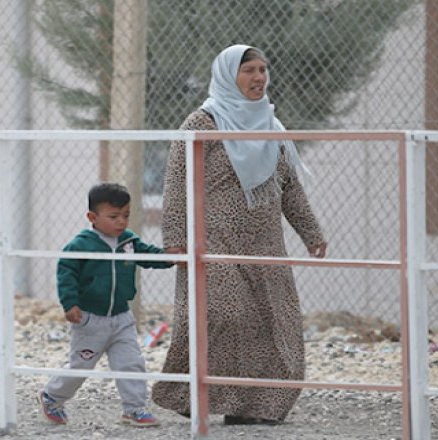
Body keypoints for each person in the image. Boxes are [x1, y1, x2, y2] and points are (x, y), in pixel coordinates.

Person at [151, 45, 328, 425]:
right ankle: (197, 392)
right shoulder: (203, 123)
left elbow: (289, 187)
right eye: (249, 69)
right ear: (228, 75)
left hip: (266, 244)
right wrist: (175, 237)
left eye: (263, 69)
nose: (259, 77)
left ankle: (259, 407)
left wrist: (311, 233)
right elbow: (176, 183)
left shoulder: (271, 126)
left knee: (277, 322)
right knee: (228, 313)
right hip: (214, 241)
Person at [38, 183, 173, 427]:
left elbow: (148, 255)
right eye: (113, 216)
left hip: (122, 317)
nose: (121, 222)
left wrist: (171, 257)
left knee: (131, 362)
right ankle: (52, 396)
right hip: (90, 319)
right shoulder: (81, 245)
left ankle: (134, 409)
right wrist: (70, 304)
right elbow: (66, 273)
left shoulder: (128, 241)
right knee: (82, 364)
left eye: (126, 215)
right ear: (93, 217)